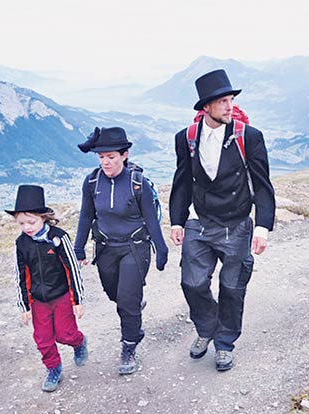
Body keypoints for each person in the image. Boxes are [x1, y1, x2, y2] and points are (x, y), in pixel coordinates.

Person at [169, 69, 276, 372]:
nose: (230, 106)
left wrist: (263, 227)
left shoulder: (249, 137)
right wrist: (177, 220)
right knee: (191, 282)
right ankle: (207, 327)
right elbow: (181, 183)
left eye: (231, 100)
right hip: (199, 222)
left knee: (232, 287)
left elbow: (263, 185)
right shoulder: (186, 138)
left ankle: (224, 343)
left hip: (237, 224)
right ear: (206, 107)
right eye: (223, 101)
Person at [74, 126, 168, 376]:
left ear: (124, 155)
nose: (105, 162)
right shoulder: (92, 182)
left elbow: (151, 218)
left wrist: (161, 248)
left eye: (111, 157)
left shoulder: (138, 184)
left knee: (126, 302)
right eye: (101, 157)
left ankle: (129, 344)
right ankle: (134, 304)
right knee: (113, 293)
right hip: (105, 248)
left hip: (134, 248)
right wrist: (79, 247)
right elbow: (86, 216)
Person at [7, 185, 87, 392]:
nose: (27, 227)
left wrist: (77, 300)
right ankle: (53, 368)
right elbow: (20, 275)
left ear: (43, 217)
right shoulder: (22, 243)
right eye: (21, 223)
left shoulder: (58, 238)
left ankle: (78, 342)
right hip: (39, 301)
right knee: (42, 339)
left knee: (65, 334)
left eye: (31, 222)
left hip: (61, 297)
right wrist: (24, 305)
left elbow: (72, 269)